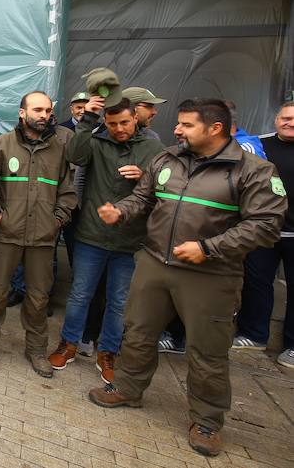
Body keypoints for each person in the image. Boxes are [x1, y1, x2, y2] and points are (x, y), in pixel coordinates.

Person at [89, 98, 285, 457]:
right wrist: (121, 211)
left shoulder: (253, 170)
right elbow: (144, 198)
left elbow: (266, 225)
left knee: (207, 350)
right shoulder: (167, 159)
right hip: (153, 262)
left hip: (210, 274)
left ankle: (207, 420)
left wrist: (208, 248)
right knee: (138, 331)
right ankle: (128, 389)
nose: (177, 130)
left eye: (186, 125)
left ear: (215, 129)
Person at [47, 97, 163, 383]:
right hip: (92, 235)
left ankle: (108, 352)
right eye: (111, 124)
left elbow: (166, 188)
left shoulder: (153, 148)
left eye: (124, 122)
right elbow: (75, 154)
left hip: (130, 239)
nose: (119, 129)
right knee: (80, 294)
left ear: (136, 117)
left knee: (119, 301)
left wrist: (146, 177)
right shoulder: (97, 142)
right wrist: (88, 118)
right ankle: (68, 344)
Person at [0, 91, 76, 377]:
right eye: (37, 110)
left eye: (47, 110)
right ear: (22, 113)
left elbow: (68, 193)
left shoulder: (59, 149)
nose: (44, 115)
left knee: (38, 297)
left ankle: (35, 349)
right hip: (7, 233)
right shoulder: (1, 145)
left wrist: (57, 220)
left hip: (43, 237)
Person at [233, 101, 293, 368]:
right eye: (285, 118)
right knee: (256, 282)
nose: (290, 122)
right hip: (264, 229)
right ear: (276, 119)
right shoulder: (259, 144)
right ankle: (253, 335)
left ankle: (292, 346)